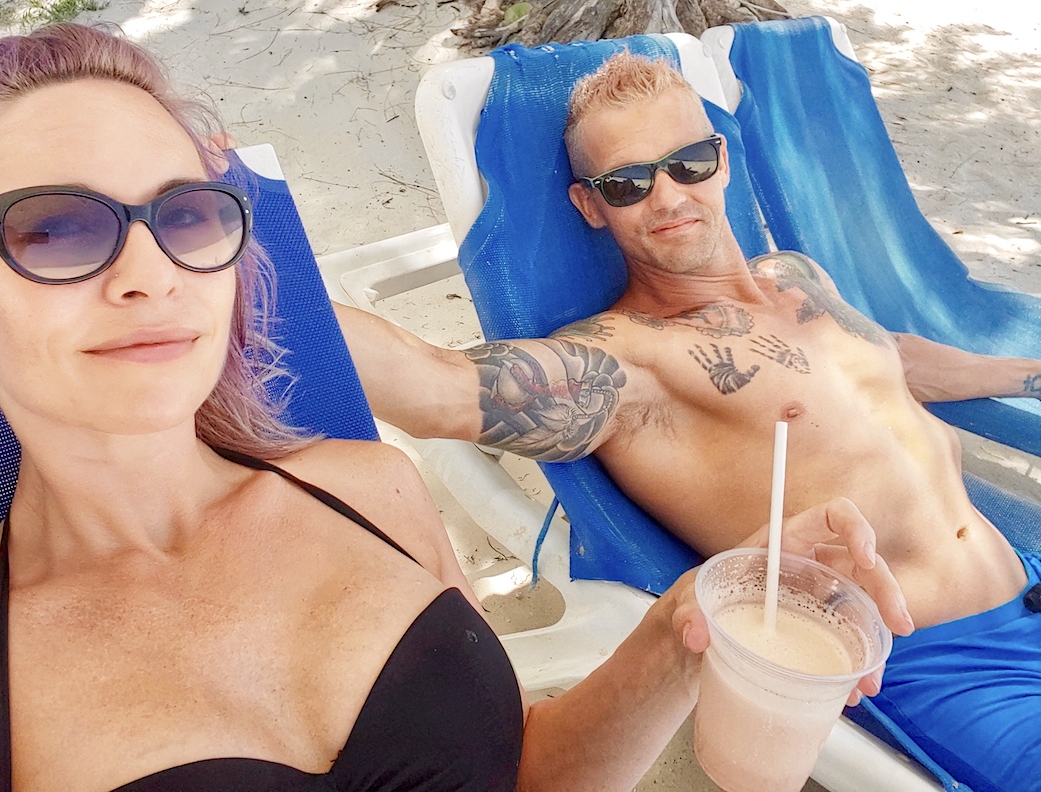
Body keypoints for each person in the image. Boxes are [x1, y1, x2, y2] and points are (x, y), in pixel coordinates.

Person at [0, 24, 908, 792]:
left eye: (188, 217)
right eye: (55, 228)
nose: (148, 275)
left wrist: (685, 629)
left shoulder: (370, 491)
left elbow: (516, 772)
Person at [334, 52, 1041, 792]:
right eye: (630, 183)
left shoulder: (793, 276)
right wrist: (241, 283)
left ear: (722, 159)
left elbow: (889, 355)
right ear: (589, 205)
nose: (669, 196)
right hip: (941, 664)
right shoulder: (635, 361)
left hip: (1023, 574)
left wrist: (1023, 373)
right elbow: (438, 390)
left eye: (689, 163)